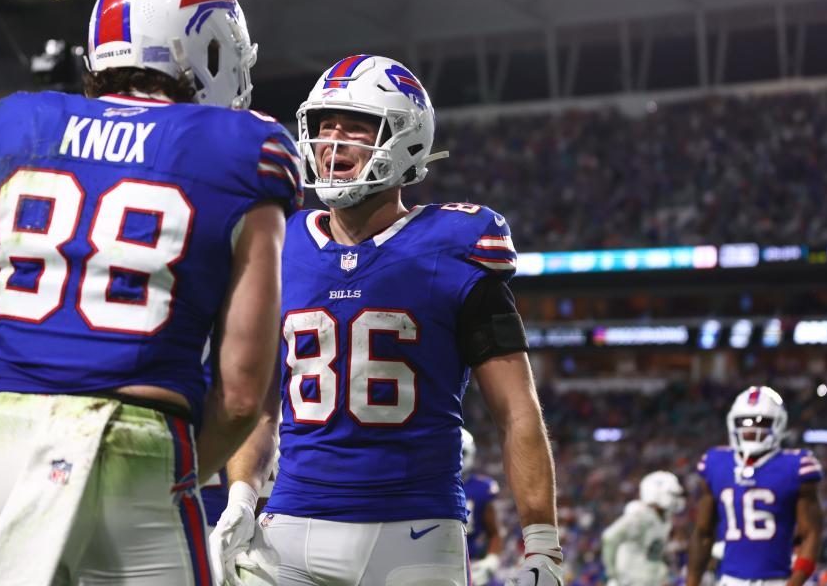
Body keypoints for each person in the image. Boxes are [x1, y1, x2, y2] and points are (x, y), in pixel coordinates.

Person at [0, 0, 302, 585]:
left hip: (0, 440)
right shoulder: (243, 150)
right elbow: (240, 396)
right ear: (207, 48)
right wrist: (184, 476)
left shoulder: (15, 126)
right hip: (138, 445)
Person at [209, 54, 563, 586]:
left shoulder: (456, 247)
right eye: (324, 126)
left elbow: (516, 410)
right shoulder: (283, 243)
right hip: (291, 528)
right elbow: (262, 409)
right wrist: (240, 495)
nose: (333, 142)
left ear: (406, 139)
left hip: (415, 530)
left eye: (355, 126)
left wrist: (542, 543)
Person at [686, 386, 824, 586]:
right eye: (744, 422)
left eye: (762, 422)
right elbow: (703, 532)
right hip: (729, 580)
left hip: (777, 580)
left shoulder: (796, 465)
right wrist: (692, 581)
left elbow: (811, 534)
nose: (752, 429)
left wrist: (796, 582)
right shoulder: (715, 462)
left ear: (779, 424)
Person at [600, 470, 685, 586]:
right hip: (631, 580)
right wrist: (612, 574)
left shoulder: (664, 518)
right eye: (672, 494)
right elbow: (609, 537)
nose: (676, 499)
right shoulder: (640, 515)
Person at [462, 428, 505, 586]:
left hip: (470, 564)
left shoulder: (481, 488)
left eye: (461, 453)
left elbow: (494, 532)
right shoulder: (431, 486)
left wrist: (491, 561)